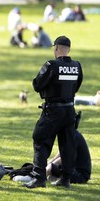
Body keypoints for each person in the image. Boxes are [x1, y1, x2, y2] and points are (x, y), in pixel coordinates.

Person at [24, 36, 83, 189]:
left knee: (40, 139)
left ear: (56, 48)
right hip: (69, 110)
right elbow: (76, 86)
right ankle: (65, 179)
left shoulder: (51, 65)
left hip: (53, 111)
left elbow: (37, 84)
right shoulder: (77, 66)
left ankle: (39, 178)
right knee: (67, 144)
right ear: (68, 49)